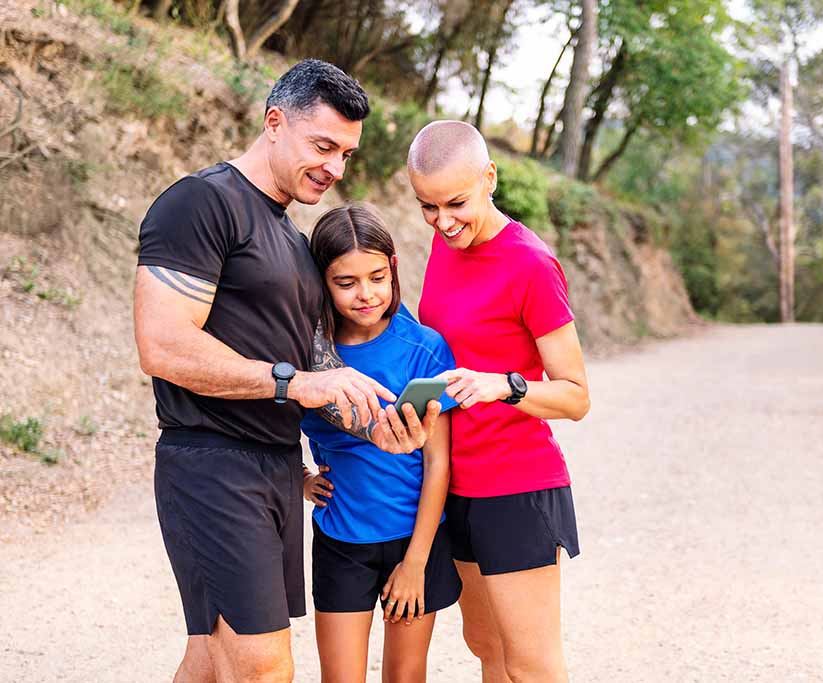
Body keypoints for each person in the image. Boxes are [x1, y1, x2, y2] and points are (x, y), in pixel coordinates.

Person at [133, 59, 440, 683]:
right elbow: (162, 344)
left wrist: (372, 428)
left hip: (274, 467)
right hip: (213, 461)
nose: (335, 168)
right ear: (275, 122)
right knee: (264, 667)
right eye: (323, 145)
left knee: (213, 660)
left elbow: (316, 365)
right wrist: (293, 383)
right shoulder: (201, 202)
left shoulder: (293, 242)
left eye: (347, 155)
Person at [407, 120, 591, 683]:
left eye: (456, 203)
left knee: (531, 665)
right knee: (486, 647)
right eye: (427, 207)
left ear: (490, 177)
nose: (442, 222)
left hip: (517, 487)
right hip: (453, 484)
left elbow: (576, 396)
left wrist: (505, 385)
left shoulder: (530, 264)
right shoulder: (445, 247)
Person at [300, 204, 462, 683]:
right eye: (346, 283)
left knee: (406, 675)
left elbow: (438, 462)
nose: (366, 294)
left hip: (415, 541)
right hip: (341, 539)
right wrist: (300, 477)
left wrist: (415, 562)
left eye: (376, 276)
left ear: (392, 267)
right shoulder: (309, 353)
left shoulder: (424, 348)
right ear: (322, 284)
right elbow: (267, 421)